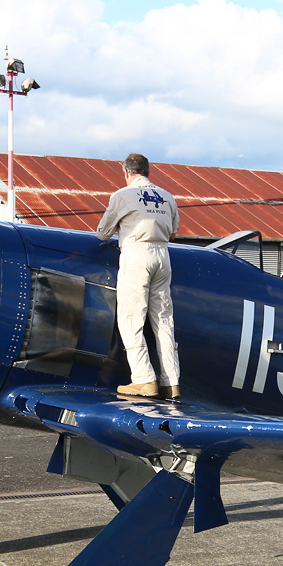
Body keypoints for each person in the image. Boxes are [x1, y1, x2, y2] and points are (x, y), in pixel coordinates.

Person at [96, 153, 181, 399]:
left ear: (126, 172)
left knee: (131, 317)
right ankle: (171, 382)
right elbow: (174, 232)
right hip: (163, 257)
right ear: (148, 171)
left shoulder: (122, 195)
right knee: (163, 320)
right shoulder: (167, 197)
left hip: (136, 253)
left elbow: (103, 232)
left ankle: (144, 379)